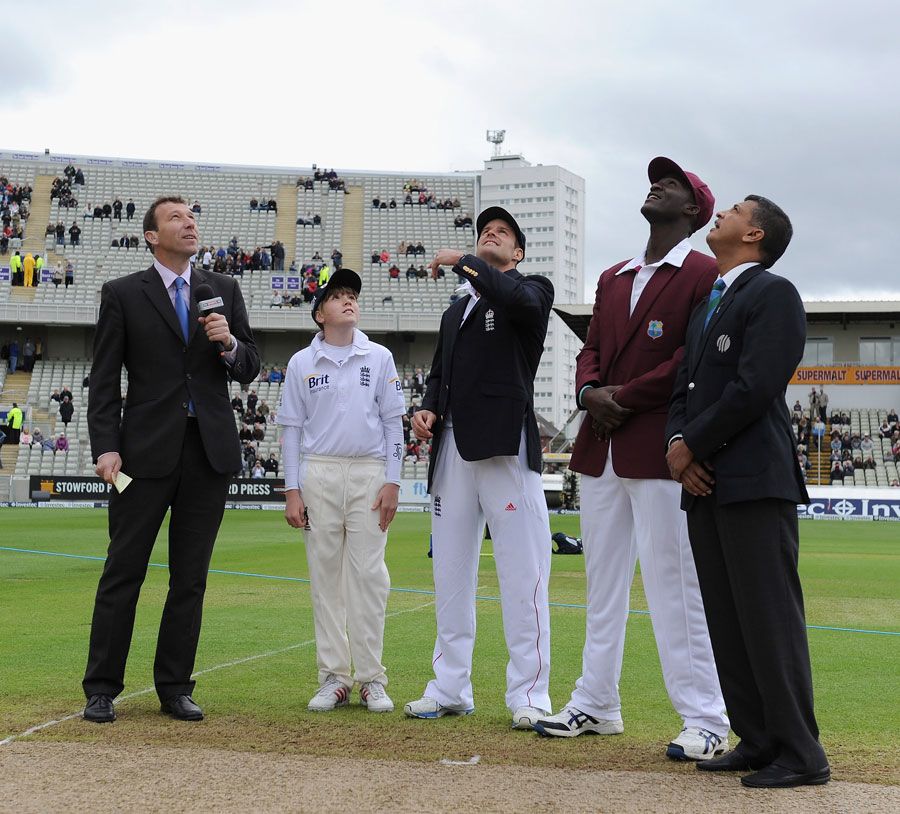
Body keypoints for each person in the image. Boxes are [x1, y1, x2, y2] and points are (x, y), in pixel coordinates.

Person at [535, 158, 728, 760]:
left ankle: (708, 718)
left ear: (693, 210)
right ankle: (596, 704)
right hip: (602, 448)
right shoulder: (615, 275)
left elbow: (689, 361)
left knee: (675, 583)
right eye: (656, 178)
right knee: (603, 586)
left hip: (658, 447)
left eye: (671, 183)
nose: (657, 185)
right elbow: (589, 348)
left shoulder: (703, 272)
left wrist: (619, 397)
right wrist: (591, 393)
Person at [665, 194, 830, 788]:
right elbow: (685, 386)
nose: (722, 213)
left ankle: (801, 753)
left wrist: (692, 445)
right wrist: (676, 447)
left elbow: (756, 386)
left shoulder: (774, 293)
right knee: (727, 618)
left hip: (755, 480)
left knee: (768, 617)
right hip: (705, 481)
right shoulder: (711, 300)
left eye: (733, 208)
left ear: (755, 233)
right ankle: (757, 739)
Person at [82, 196, 260, 725]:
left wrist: (227, 344)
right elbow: (105, 379)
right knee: (123, 571)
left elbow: (249, 366)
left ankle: (175, 686)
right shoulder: (121, 294)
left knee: (190, 579)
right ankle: (101, 688)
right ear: (151, 236)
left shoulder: (222, 290)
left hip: (209, 454)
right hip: (140, 453)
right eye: (176, 218)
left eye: (192, 217)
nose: (189, 223)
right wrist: (105, 446)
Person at [404, 207, 554, 730]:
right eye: (483, 230)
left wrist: (468, 262)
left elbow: (515, 299)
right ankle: (449, 687)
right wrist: (426, 408)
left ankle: (530, 693)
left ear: (516, 253)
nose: (491, 233)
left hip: (503, 449)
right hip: (450, 450)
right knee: (449, 573)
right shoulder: (456, 311)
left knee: (523, 573)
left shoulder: (532, 289)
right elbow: (440, 375)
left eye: (503, 233)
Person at [277, 268, 406, 714]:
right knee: (325, 576)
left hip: (370, 472)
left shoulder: (380, 357)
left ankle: (372, 678)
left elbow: (393, 423)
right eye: (338, 296)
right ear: (319, 314)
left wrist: (393, 480)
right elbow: (291, 430)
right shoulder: (301, 363)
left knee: (369, 576)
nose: (349, 301)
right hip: (321, 473)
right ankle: (334, 676)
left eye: (353, 294)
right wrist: (293, 490)